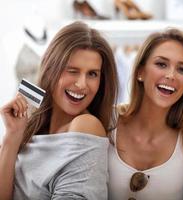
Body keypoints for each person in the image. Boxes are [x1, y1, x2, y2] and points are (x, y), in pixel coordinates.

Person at [0, 21, 118, 200]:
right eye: (72, 71)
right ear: (50, 69)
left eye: (92, 74)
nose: (81, 84)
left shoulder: (85, 125)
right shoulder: (30, 126)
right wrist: (12, 137)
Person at [108, 28, 183, 200]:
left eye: (182, 70)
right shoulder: (106, 121)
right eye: (161, 64)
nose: (171, 75)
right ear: (140, 72)